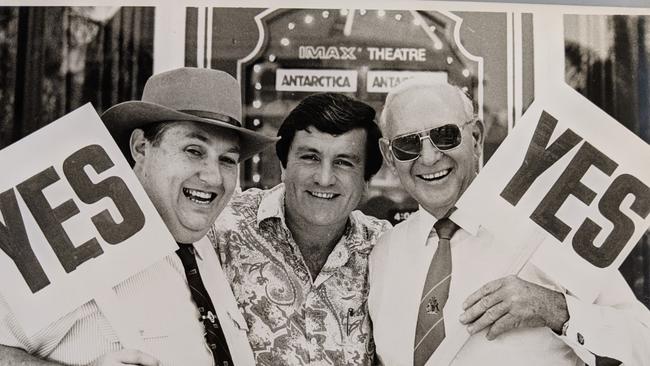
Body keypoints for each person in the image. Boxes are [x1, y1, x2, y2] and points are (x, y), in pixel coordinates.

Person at [0, 67, 277, 366]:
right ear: (141, 147)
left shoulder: (207, 245)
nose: (213, 177)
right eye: (194, 150)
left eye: (227, 160)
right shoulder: (69, 236)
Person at [368, 79, 650, 365]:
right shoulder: (382, 253)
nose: (429, 158)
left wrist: (555, 310)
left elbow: (643, 343)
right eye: (407, 144)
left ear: (476, 138)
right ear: (389, 157)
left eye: (445, 135)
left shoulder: (548, 227)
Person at [209, 93, 391, 366]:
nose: (324, 178)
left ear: (366, 181)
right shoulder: (221, 228)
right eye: (310, 157)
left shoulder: (386, 248)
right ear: (283, 166)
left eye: (343, 162)